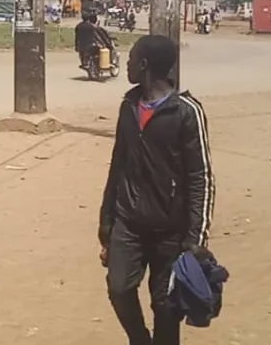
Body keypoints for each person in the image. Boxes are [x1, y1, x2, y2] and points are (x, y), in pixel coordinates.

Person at [99, 34, 215, 345]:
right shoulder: (128, 106)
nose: (127, 63)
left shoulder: (186, 111)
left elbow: (200, 176)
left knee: (165, 306)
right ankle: (139, 339)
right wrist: (106, 222)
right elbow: (117, 165)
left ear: (146, 65)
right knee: (119, 287)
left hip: (170, 230)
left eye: (133, 57)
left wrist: (196, 237)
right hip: (128, 222)